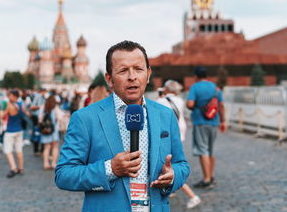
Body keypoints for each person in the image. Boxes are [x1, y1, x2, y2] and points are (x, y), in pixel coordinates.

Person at [55, 40, 190, 211]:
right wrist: (110, 168)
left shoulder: (165, 115)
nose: (132, 76)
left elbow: (182, 165)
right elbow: (64, 174)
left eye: (138, 69)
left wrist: (172, 176)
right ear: (109, 79)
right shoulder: (85, 118)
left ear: (148, 75)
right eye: (123, 70)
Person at [157, 80, 201, 209]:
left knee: (169, 164)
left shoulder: (161, 101)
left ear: (165, 89)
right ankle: (172, 187)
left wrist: (160, 97)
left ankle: (193, 196)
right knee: (176, 158)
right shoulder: (180, 100)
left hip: (166, 134)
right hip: (179, 131)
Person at [186, 67, 226, 188]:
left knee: (203, 150)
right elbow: (221, 106)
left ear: (196, 76)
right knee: (210, 150)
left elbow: (190, 104)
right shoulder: (215, 88)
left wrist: (196, 106)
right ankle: (211, 176)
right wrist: (223, 121)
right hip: (214, 122)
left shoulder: (195, 87)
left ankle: (207, 179)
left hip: (200, 121)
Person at [3, 90, 26, 178]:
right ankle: (21, 168)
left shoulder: (10, 105)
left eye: (10, 95)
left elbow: (3, 116)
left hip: (10, 130)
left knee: (8, 150)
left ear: (14, 96)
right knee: (19, 150)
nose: (9, 97)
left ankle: (13, 168)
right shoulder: (22, 104)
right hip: (19, 129)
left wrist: (7, 110)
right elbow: (24, 115)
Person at [39, 94, 60, 170]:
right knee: (55, 147)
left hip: (45, 130)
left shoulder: (43, 107)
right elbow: (59, 117)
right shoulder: (55, 107)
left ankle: (45, 163)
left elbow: (40, 119)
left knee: (46, 147)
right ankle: (53, 163)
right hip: (54, 130)